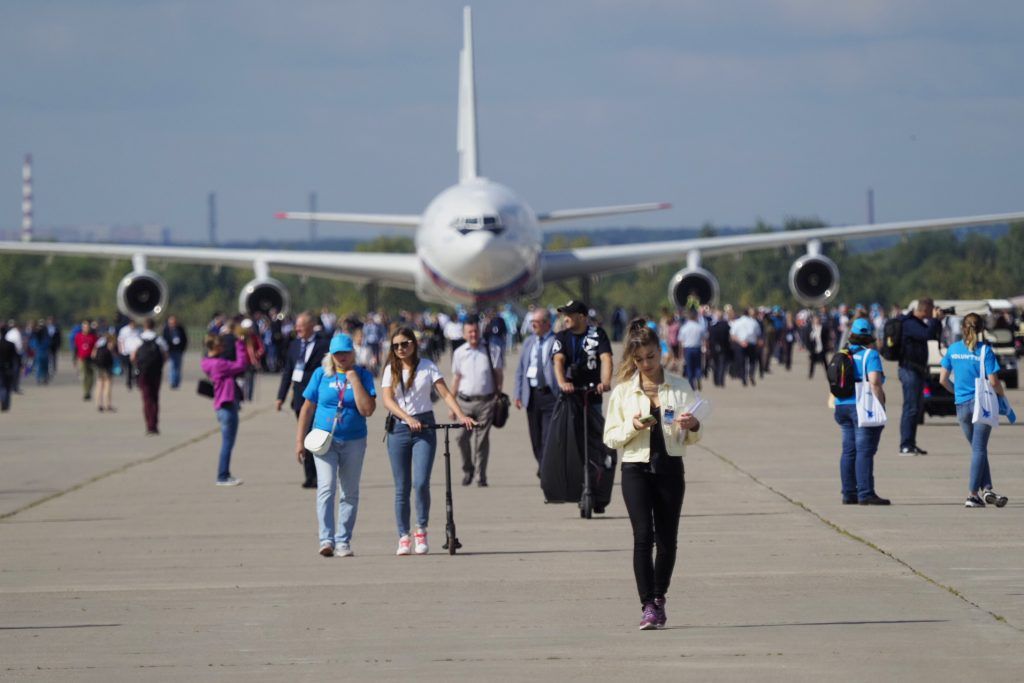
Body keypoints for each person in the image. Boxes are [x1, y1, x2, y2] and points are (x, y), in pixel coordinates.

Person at [603, 319, 702, 630]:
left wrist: (693, 426)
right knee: (643, 536)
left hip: (670, 467)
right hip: (636, 467)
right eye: (640, 359)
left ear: (660, 353)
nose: (647, 364)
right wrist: (633, 426)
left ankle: (660, 597)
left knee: (668, 539)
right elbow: (610, 437)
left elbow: (693, 435)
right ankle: (647, 604)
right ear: (633, 359)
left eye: (651, 357)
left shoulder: (680, 386)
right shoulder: (623, 393)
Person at [381, 327, 474, 555]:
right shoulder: (391, 369)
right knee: (401, 487)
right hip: (399, 428)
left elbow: (446, 394)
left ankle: (420, 529)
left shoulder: (427, 366)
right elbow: (387, 400)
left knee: (421, 482)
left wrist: (462, 416)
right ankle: (403, 536)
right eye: (396, 346)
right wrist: (407, 418)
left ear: (414, 344)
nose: (401, 349)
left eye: (405, 344)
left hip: (425, 426)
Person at [295, 333, 376, 556]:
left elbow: (367, 410)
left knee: (349, 492)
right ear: (331, 355)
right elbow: (307, 408)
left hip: (354, 440)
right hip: (324, 440)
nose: (342, 357)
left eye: (346, 353)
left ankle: (343, 541)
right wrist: (299, 441)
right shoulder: (321, 375)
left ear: (353, 353)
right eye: (337, 353)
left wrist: (354, 381)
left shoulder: (363, 375)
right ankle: (326, 539)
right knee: (326, 487)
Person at [938, 313, 1010, 508]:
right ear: (981, 330)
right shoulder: (985, 351)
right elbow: (994, 382)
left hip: (961, 406)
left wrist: (957, 393)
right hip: (981, 405)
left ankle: (986, 489)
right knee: (979, 449)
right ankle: (971, 495)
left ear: (962, 328)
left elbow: (942, 380)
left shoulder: (953, 349)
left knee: (978, 449)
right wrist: (1003, 399)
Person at [832, 318, 890, 505]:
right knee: (864, 451)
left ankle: (848, 493)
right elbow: (874, 382)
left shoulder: (842, 353)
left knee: (848, 451)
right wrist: (881, 403)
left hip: (842, 405)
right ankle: (865, 493)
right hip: (861, 406)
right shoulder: (870, 355)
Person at [277, 312, 330, 488]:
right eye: (297, 325)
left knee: (318, 437)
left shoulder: (323, 345)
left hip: (319, 398)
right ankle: (310, 476)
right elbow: (288, 372)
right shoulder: (294, 345)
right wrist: (280, 397)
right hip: (300, 398)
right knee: (306, 437)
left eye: (301, 325)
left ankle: (321, 474)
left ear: (311, 326)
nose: (297, 328)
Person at [450, 318, 504, 486]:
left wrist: (498, 395)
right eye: (470, 332)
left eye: (475, 331)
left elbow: (498, 374)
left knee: (481, 441)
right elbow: (456, 378)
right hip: (464, 402)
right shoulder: (459, 353)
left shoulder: (491, 350)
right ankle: (468, 469)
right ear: (464, 334)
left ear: (479, 332)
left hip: (486, 402)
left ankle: (481, 476)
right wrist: (452, 406)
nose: (473, 335)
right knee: (461, 438)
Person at [514, 307, 559, 477]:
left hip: (550, 394)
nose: (533, 326)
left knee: (548, 434)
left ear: (547, 324)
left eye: (536, 323)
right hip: (531, 394)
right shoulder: (529, 342)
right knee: (535, 435)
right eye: (532, 323)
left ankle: (546, 467)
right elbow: (520, 369)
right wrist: (517, 394)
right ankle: (541, 462)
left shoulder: (556, 341)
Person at [201, 333, 249, 486]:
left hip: (220, 406)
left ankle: (224, 474)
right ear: (215, 347)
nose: (224, 348)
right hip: (227, 405)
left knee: (227, 442)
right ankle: (223, 475)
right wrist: (240, 345)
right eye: (221, 345)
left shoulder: (207, 362)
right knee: (227, 444)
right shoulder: (219, 364)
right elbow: (241, 365)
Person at [898, 298, 938, 455]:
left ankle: (911, 443)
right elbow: (927, 334)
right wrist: (935, 320)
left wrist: (936, 321)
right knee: (910, 408)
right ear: (925, 309)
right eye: (931, 310)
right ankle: (905, 444)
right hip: (909, 370)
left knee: (915, 408)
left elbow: (933, 335)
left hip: (917, 370)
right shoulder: (910, 323)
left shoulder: (917, 323)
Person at [132, 319, 168, 436]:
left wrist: (138, 364)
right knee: (155, 398)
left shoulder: (138, 339)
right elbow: (165, 355)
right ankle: (154, 424)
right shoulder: (159, 339)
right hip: (156, 371)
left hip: (143, 372)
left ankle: (149, 425)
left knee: (146, 398)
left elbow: (132, 356)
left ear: (144, 326)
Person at [729, 308, 761, 386]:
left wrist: (740, 342)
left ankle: (743, 378)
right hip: (751, 343)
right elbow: (758, 334)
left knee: (742, 362)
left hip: (740, 343)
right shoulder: (754, 322)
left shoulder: (737, 322)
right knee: (752, 361)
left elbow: (733, 335)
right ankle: (751, 374)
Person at [676, 308, 705, 390]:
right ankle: (698, 377)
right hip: (697, 348)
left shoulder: (684, 327)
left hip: (688, 348)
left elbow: (681, 341)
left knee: (689, 367)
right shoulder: (700, 327)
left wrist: (680, 352)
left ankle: (691, 384)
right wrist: (705, 349)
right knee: (698, 366)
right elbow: (704, 339)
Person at [91, 332, 117, 412]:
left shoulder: (99, 342)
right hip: (107, 366)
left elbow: (93, 355)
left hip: (99, 366)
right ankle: (107, 404)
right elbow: (112, 354)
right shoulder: (110, 342)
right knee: (107, 385)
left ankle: (98, 404)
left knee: (99, 385)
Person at [161, 315, 188, 389]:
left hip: (178, 350)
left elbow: (185, 339)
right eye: (171, 322)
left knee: (178, 367)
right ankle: (172, 382)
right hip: (170, 350)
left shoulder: (180, 329)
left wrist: (183, 348)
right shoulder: (166, 329)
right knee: (172, 366)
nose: (173, 323)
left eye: (174, 322)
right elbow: (164, 340)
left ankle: (177, 382)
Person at [75, 321, 98, 401]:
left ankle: (89, 390)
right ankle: (86, 392)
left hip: (91, 358)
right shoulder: (78, 336)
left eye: (87, 327)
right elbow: (76, 348)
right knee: (84, 375)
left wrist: (94, 352)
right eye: (84, 327)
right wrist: (74, 359)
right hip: (82, 358)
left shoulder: (93, 336)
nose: (86, 329)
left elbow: (96, 346)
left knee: (91, 375)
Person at [0, 323, 16, 411]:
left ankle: (2, 399)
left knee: (1, 385)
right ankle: (5, 403)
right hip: (8, 367)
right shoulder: (11, 344)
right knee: (7, 386)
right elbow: (14, 357)